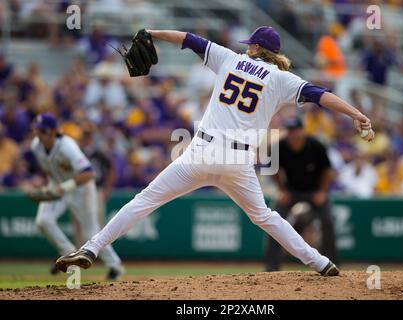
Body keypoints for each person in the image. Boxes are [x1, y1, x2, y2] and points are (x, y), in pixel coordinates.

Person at [56, 26, 374, 277]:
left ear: (255, 48)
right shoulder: (282, 79)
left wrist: (152, 33)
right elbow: (322, 95)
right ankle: (320, 263)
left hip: (202, 152)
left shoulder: (229, 58)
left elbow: (188, 39)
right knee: (265, 217)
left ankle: (91, 248)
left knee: (145, 200)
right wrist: (356, 114)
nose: (247, 46)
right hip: (238, 162)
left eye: (250, 43)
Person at [29, 113, 125, 280]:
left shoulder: (67, 146)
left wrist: (63, 187)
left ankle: (114, 265)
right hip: (58, 186)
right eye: (37, 130)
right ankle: (67, 252)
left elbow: (89, 173)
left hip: (81, 188)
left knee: (91, 231)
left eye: (42, 131)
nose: (39, 134)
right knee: (43, 221)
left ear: (52, 131)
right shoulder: (36, 145)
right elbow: (50, 169)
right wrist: (49, 187)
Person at [264, 117, 338, 272]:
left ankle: (332, 261)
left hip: (314, 190)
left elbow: (327, 170)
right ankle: (272, 266)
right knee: (272, 219)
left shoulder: (316, 145)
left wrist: (322, 192)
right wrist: (282, 190)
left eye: (295, 130)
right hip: (291, 191)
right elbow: (273, 170)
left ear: (302, 131)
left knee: (328, 221)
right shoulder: (279, 146)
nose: (292, 134)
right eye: (289, 130)